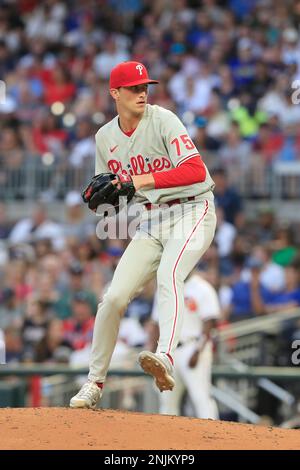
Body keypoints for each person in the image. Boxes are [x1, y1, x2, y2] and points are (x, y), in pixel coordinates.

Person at [70, 61, 216, 409]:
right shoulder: (104, 137)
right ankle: (94, 383)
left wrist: (136, 182)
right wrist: (106, 200)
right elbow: (113, 192)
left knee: (170, 274)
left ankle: (165, 355)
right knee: (114, 298)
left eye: (145, 86)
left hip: (192, 209)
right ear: (114, 93)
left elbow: (195, 170)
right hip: (152, 219)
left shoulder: (163, 119)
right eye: (134, 88)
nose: (142, 92)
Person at [150, 271, 220, 419]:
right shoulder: (165, 286)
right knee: (167, 400)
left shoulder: (202, 288)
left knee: (200, 396)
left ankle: (213, 435)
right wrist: (154, 353)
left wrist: (197, 351)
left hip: (193, 346)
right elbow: (156, 323)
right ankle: (167, 437)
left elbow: (210, 323)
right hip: (169, 350)